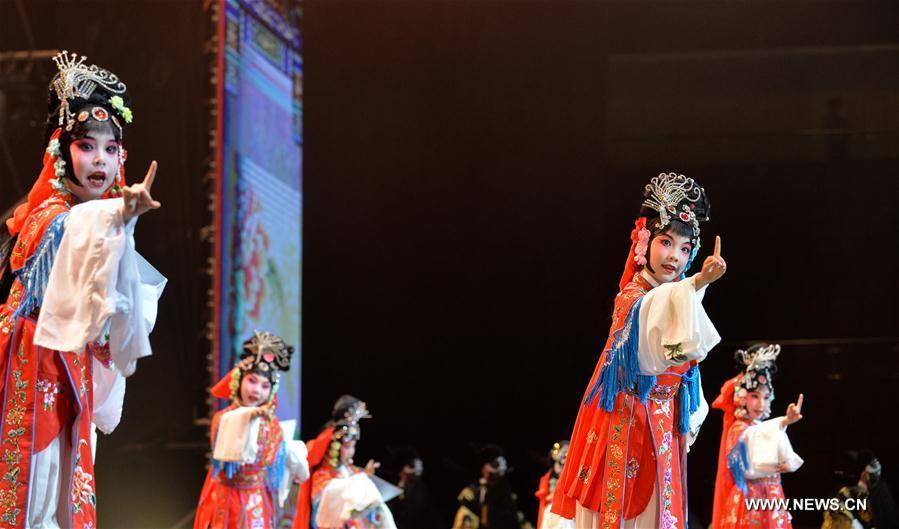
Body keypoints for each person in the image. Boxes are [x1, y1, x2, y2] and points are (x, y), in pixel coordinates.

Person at [0, 50, 165, 529]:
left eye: (110, 150)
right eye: (86, 147)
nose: (100, 160)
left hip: (70, 370)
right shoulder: (50, 217)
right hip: (30, 365)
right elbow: (75, 230)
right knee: (35, 492)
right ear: (61, 152)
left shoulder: (110, 229)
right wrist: (118, 214)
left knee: (66, 495)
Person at [551, 172, 726, 528]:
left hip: (664, 423)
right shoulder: (631, 298)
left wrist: (691, 414)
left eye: (684, 248)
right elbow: (656, 317)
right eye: (665, 242)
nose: (674, 256)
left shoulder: (679, 295)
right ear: (643, 242)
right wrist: (697, 283)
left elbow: (687, 360)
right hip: (628, 421)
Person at [195, 331, 310, 529]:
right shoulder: (223, 419)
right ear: (239, 380)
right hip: (226, 496)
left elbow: (278, 459)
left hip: (257, 498)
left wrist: (296, 463)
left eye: (265, 386)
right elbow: (227, 447)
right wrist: (250, 416)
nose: (257, 391)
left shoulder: (272, 424)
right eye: (252, 381)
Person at [710, 343, 805, 529]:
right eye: (755, 396)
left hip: (772, 497)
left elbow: (771, 441)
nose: (760, 404)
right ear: (743, 397)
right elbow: (752, 447)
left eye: (765, 397)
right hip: (749, 500)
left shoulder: (763, 427)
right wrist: (784, 421)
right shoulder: (738, 428)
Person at [299, 399, 395, 529]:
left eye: (353, 447)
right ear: (336, 446)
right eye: (347, 446)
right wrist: (361, 480)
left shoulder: (352, 471)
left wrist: (364, 477)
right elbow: (323, 511)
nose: (351, 452)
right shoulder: (322, 475)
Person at [452, 444, 531, 529]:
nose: (501, 469)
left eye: (503, 464)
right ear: (483, 469)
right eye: (495, 464)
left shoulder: (508, 493)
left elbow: (519, 520)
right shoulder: (472, 494)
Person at [535, 441, 573, 529]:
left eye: (569, 452)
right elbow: (543, 498)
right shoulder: (546, 478)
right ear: (555, 454)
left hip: (564, 514)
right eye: (564, 452)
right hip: (549, 514)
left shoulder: (571, 474)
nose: (566, 455)